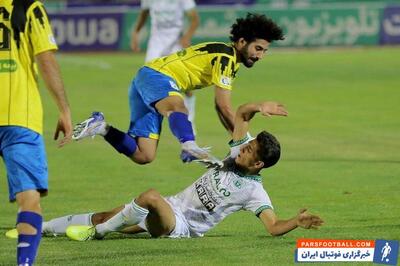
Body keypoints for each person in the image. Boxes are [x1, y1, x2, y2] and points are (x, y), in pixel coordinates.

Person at [26, 101, 323, 241]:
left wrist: (296, 221)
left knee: (150, 197)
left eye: (249, 150)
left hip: (181, 228)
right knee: (108, 215)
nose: (243, 147)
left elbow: (272, 227)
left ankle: (96, 234)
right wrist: (261, 106)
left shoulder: (254, 192)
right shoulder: (237, 152)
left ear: (258, 164)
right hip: (174, 206)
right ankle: (43, 228)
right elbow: (243, 113)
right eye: (247, 144)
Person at [72, 13, 285, 166]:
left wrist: (236, 142)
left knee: (144, 155)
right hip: (156, 77)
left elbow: (221, 109)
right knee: (178, 108)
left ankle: (101, 127)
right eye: (258, 49)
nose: (260, 56)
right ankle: (189, 145)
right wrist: (242, 143)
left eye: (264, 51)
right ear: (241, 41)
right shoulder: (225, 58)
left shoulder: (228, 58)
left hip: (146, 81)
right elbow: (223, 106)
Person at [0, 1, 73, 265]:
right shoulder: (29, 7)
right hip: (19, 115)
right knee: (29, 199)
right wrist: (64, 109)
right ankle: (24, 263)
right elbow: (45, 59)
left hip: (18, 117)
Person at [130, 0, 200, 134]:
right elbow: (143, 15)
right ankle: (148, 125)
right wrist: (135, 33)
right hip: (156, 42)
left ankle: (190, 121)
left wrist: (186, 37)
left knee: (187, 86)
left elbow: (195, 19)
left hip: (176, 42)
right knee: (148, 80)